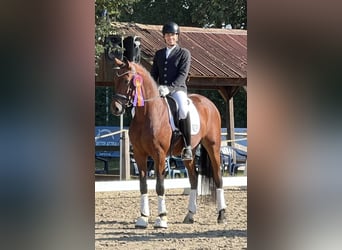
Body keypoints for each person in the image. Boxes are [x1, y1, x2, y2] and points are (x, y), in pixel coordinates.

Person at [150, 21, 193, 160]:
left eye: (173, 35)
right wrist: (152, 88)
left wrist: (170, 88)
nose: (170, 38)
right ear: (164, 37)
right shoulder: (159, 54)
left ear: (177, 36)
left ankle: (187, 146)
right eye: (167, 35)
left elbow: (182, 75)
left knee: (183, 109)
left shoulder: (184, 53)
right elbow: (153, 74)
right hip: (161, 90)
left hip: (177, 90)